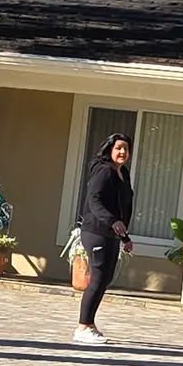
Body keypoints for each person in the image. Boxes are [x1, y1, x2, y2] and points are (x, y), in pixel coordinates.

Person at [74, 133, 134, 346]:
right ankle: (82, 328)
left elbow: (122, 208)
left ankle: (89, 324)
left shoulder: (122, 173)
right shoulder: (104, 170)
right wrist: (112, 221)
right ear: (110, 149)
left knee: (104, 279)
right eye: (118, 147)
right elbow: (94, 199)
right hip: (96, 231)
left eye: (126, 148)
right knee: (98, 278)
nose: (122, 152)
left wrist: (125, 237)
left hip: (111, 234)